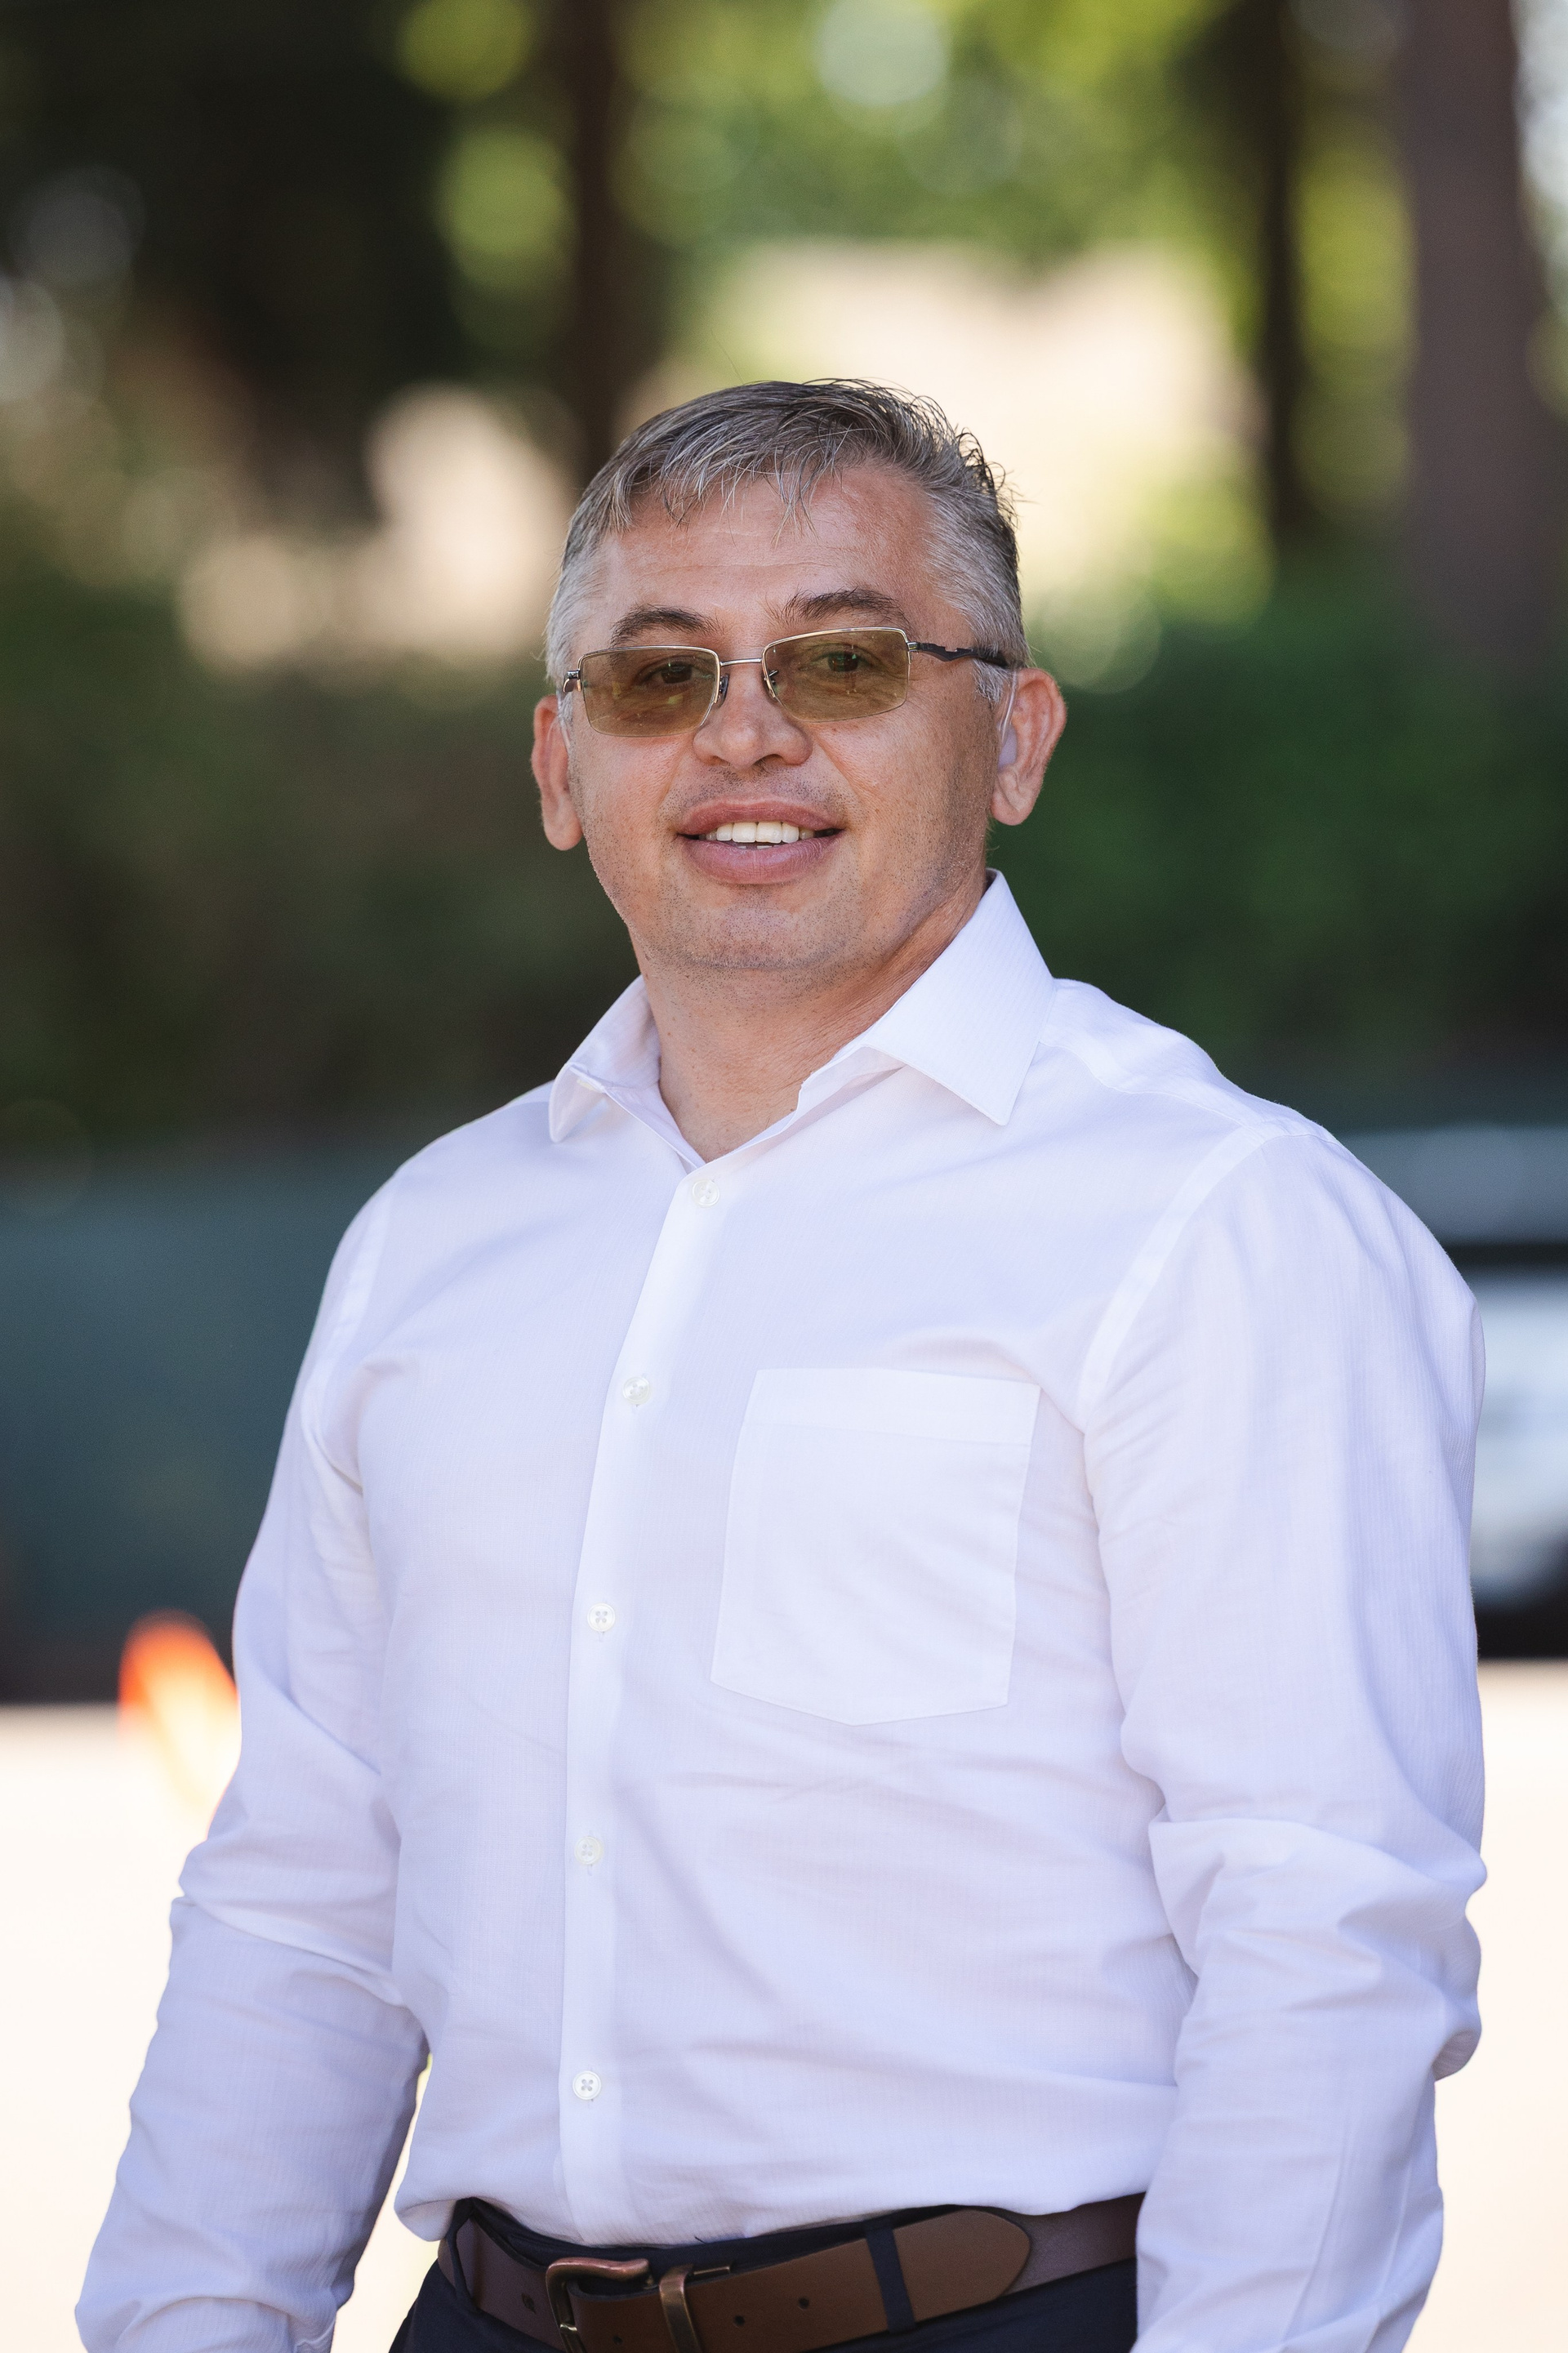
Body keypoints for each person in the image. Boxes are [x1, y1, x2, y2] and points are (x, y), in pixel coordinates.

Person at [80, 380, 1484, 2353]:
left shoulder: (1215, 1225)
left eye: (842, 660)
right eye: (659, 677)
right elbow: (306, 1891)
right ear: (561, 763)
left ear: (1016, 734)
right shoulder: (432, 1246)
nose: (743, 733)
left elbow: (1323, 1927)